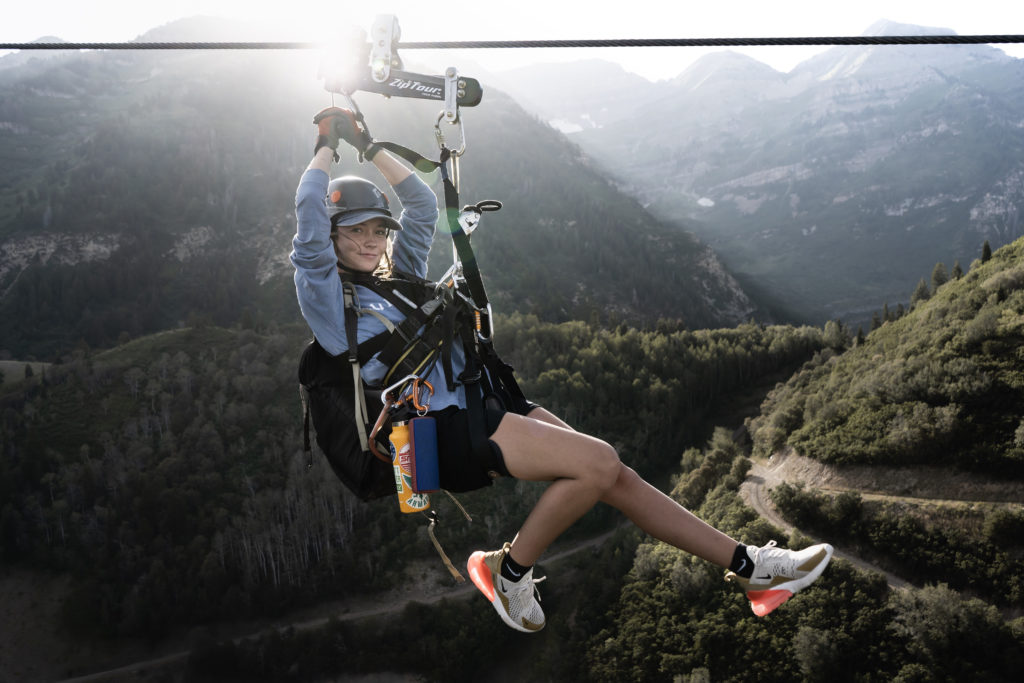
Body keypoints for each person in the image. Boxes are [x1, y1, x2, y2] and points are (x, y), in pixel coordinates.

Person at [291, 107, 834, 633]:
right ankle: (507, 573)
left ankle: (752, 569)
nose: (369, 241)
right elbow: (306, 222)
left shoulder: (399, 275)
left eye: (377, 231)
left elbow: (421, 204)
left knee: (614, 477)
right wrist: (325, 148)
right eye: (354, 231)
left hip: (485, 403)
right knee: (599, 463)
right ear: (332, 236)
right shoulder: (330, 304)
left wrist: (370, 148)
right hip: (446, 432)